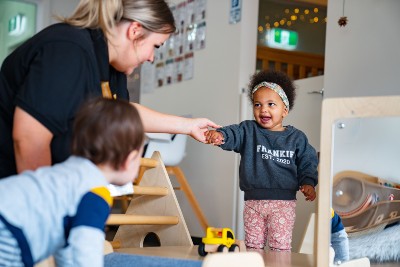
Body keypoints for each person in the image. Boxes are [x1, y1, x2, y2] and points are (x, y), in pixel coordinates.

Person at [0, 0, 219, 178]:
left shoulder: (110, 67)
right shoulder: (68, 49)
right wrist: (47, 212)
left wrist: (188, 126)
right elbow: (30, 139)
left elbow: (124, 114)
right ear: (135, 31)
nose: (152, 58)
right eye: (155, 46)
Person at [0, 98, 144, 267]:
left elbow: (68, 246)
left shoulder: (69, 172)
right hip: (9, 230)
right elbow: (85, 251)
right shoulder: (95, 193)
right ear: (129, 159)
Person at [205, 70, 318, 252]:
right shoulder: (249, 130)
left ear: (285, 110)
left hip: (283, 204)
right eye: (257, 104)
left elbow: (308, 160)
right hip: (253, 202)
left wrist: (308, 182)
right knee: (253, 245)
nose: (263, 109)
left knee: (280, 246)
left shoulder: (296, 138)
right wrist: (221, 135)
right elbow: (234, 133)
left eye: (271, 104)